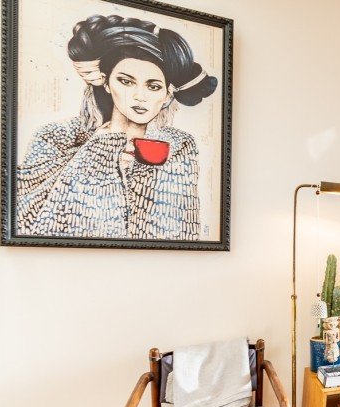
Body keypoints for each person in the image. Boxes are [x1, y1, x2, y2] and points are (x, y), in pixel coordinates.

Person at [16, 15, 218, 240]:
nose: (139, 96)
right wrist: (98, 150)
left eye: (153, 86)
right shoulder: (56, 137)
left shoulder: (180, 146)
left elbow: (181, 230)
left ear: (167, 96)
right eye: (126, 81)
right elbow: (31, 219)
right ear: (106, 82)